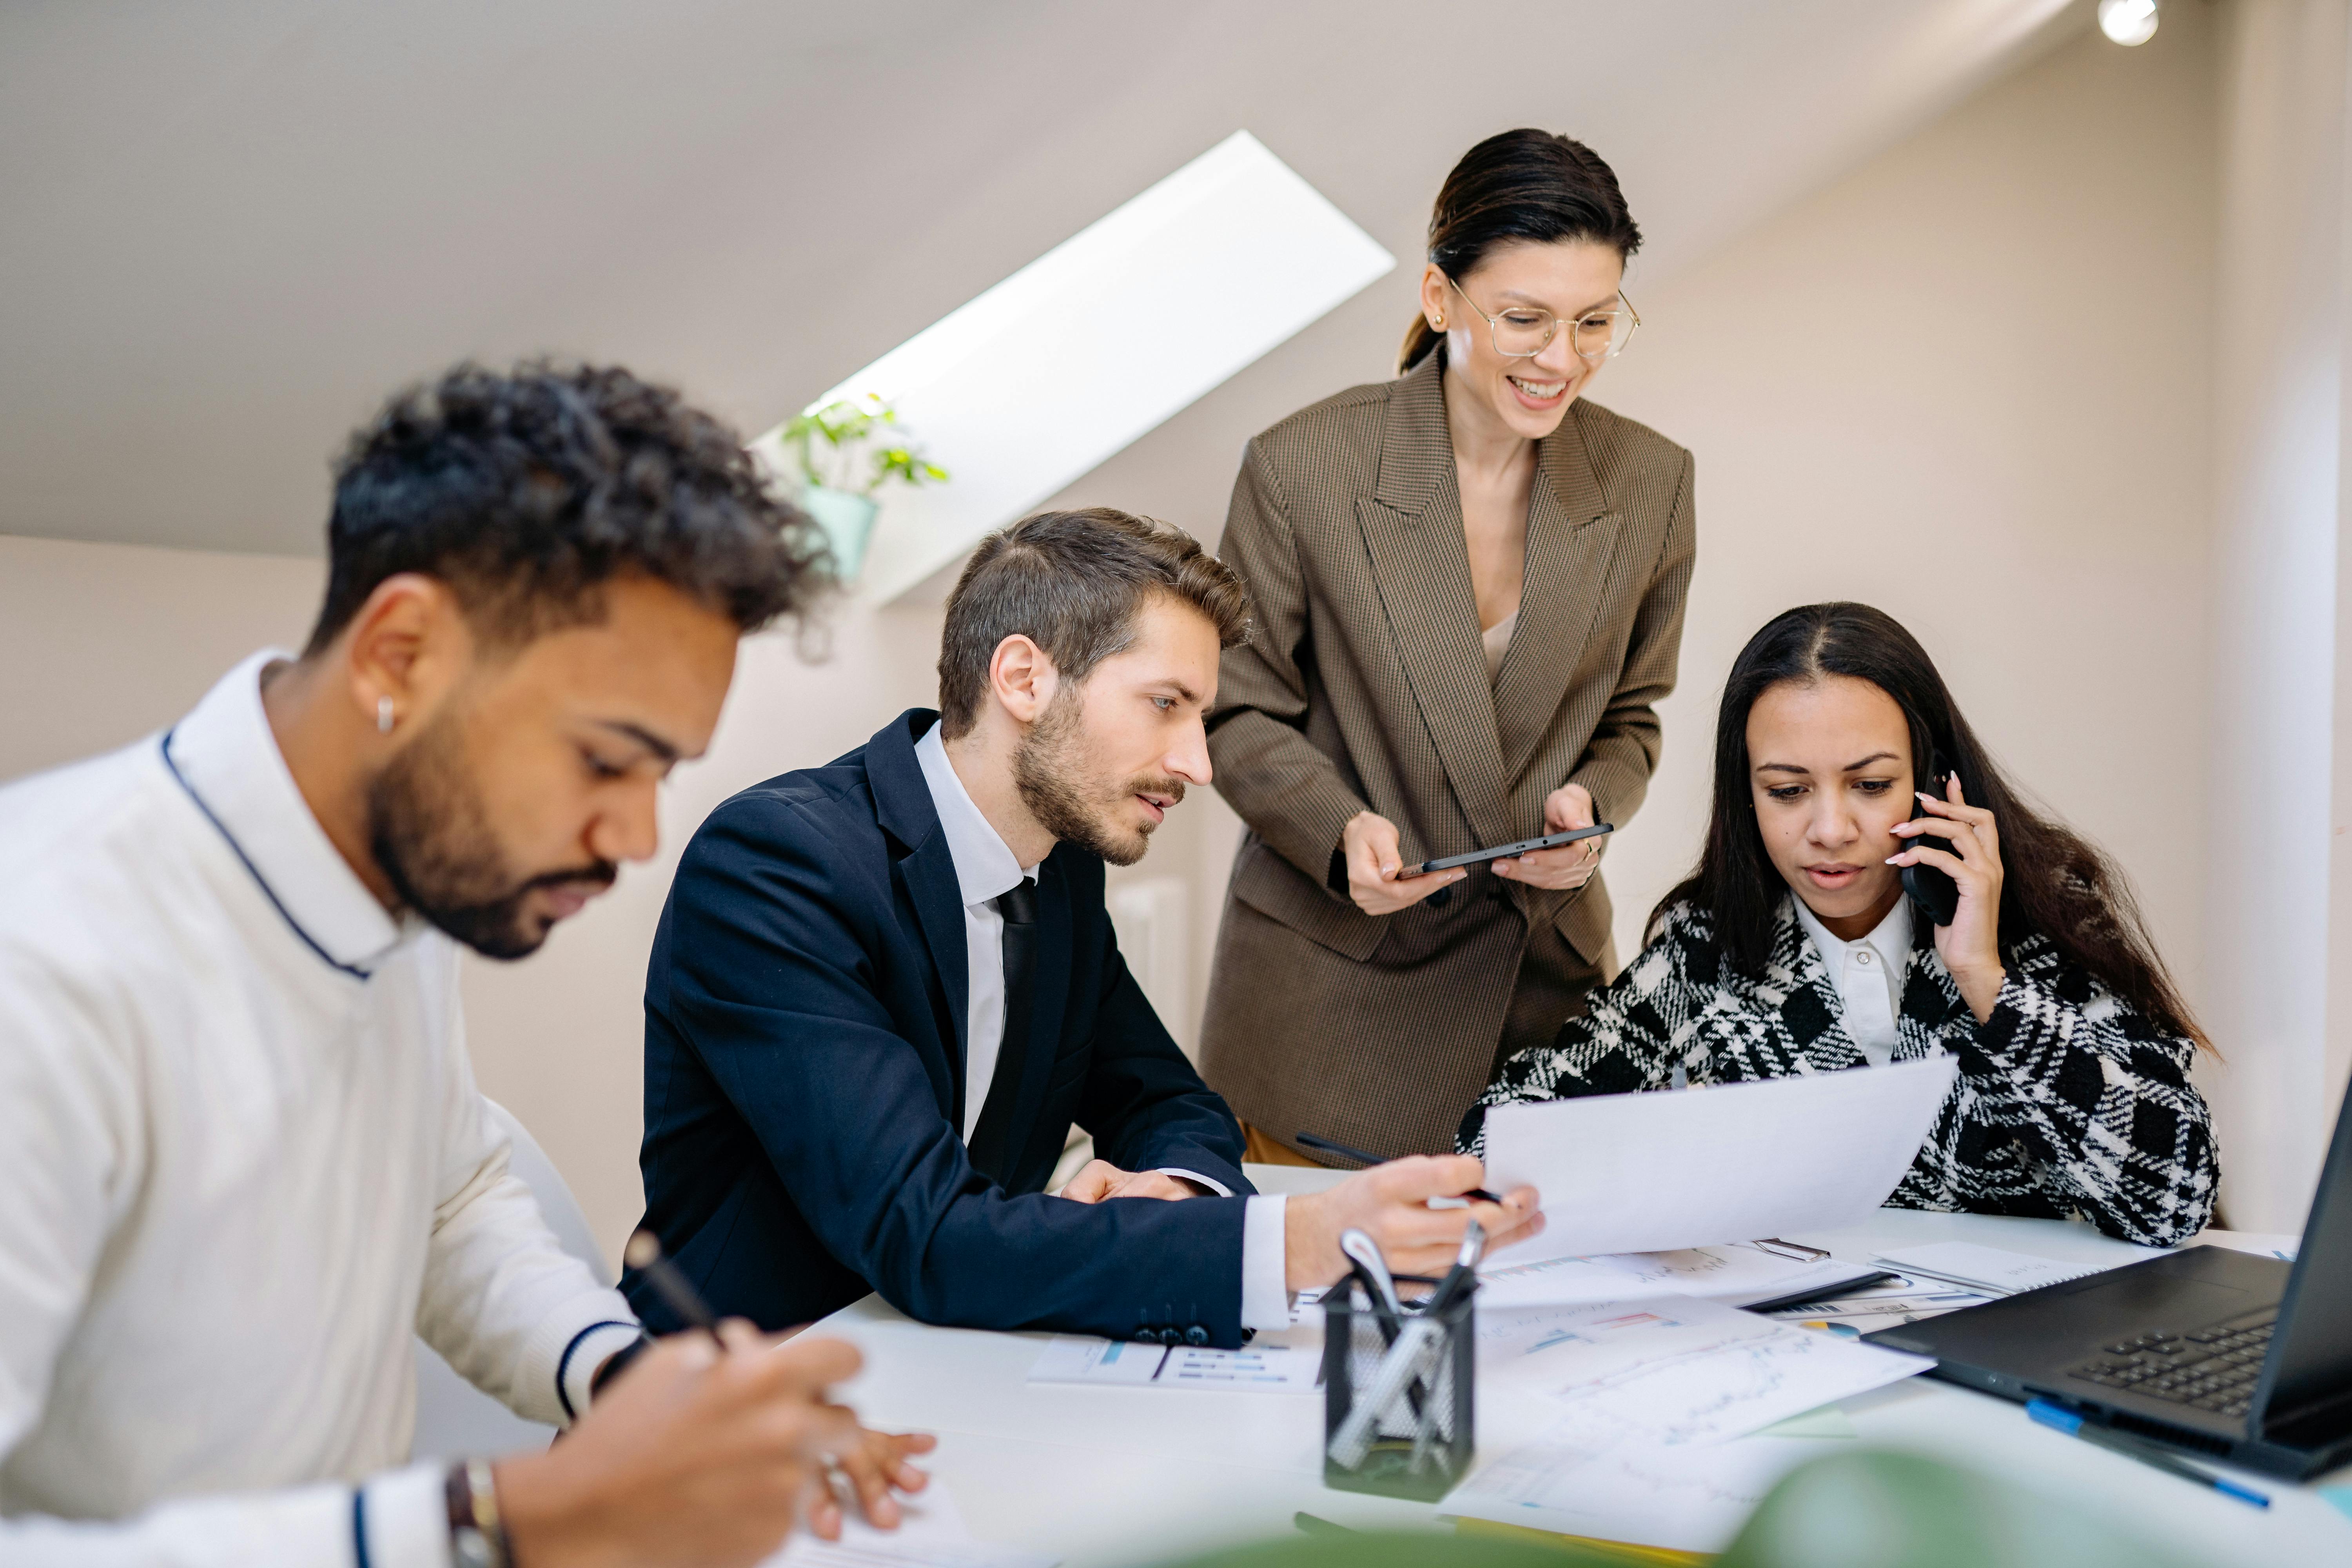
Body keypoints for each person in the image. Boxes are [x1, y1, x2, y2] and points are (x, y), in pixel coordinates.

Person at [0, 363, 931, 1566]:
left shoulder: (396, 889)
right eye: (606, 762)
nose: (638, 840)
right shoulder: (46, 958)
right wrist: (503, 1520)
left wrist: (632, 1379)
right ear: (399, 656)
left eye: (663, 777)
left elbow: (446, 1200)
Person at [628, 508, 1539, 1349]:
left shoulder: (1060, 862)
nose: (1198, 763)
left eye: (1202, 716)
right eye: (1164, 703)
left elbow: (1166, 1101)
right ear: (1024, 677)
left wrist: (1177, 1194)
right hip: (749, 1391)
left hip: (947, 1363)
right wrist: (1294, 1241)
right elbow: (928, 1234)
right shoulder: (777, 865)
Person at [1198, 128, 1697, 1165]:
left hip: (1545, 1007)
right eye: (1524, 320)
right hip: (1331, 1012)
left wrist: (1592, 807)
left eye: (1596, 322)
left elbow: (1634, 716)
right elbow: (1236, 706)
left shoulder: (1652, 482)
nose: (1562, 360)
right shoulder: (1304, 468)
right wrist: (1339, 831)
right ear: (1438, 297)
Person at [1462, 603, 2218, 1247]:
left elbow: (2177, 1197)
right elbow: (1500, 1144)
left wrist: (1987, 982)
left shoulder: (2039, 918)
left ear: (1932, 776)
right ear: (1746, 798)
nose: (1830, 828)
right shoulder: (1706, 947)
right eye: (1788, 791)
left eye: (1871, 785)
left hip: (2022, 1355)